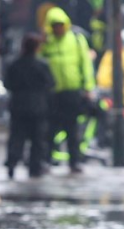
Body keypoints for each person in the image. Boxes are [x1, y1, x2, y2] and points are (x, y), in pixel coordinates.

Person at [40, 7, 95, 173]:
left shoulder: (76, 40)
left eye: (61, 25)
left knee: (72, 130)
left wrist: (88, 87)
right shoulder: (46, 43)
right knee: (50, 129)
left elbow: (85, 65)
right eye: (55, 25)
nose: (58, 28)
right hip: (52, 94)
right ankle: (46, 160)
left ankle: (74, 162)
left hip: (72, 93)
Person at [4, 32, 55, 179]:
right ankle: (35, 168)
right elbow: (51, 83)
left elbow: (8, 83)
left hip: (18, 106)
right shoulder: (42, 65)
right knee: (37, 139)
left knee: (16, 137)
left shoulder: (14, 65)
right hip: (38, 107)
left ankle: (12, 164)